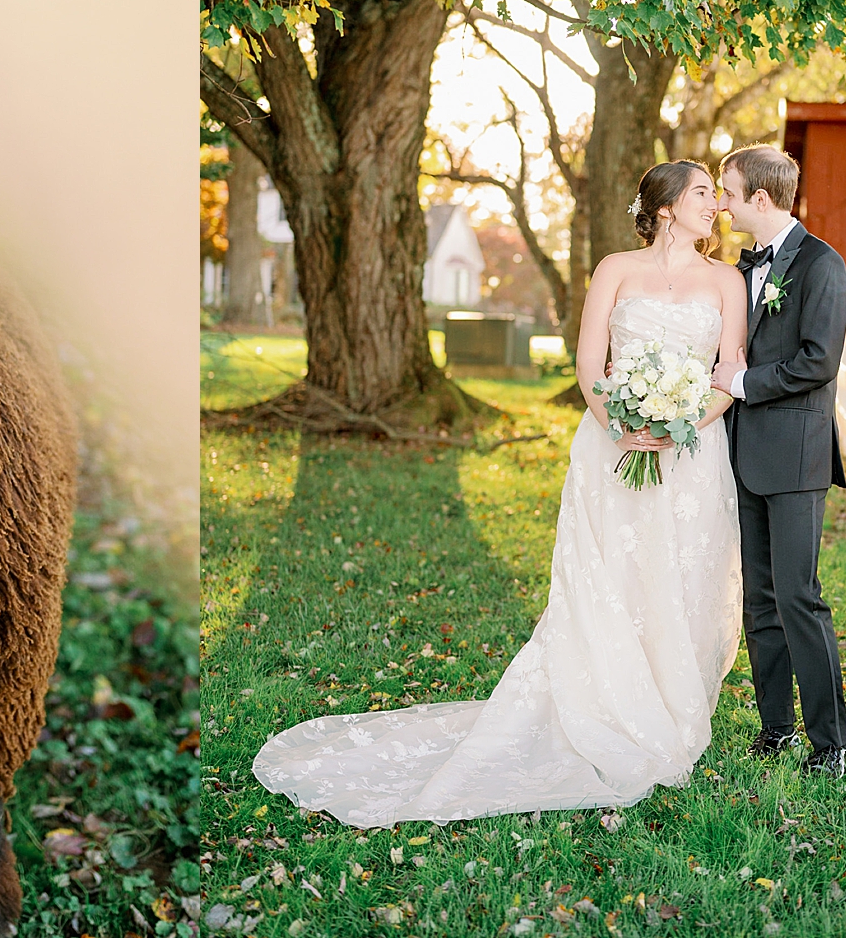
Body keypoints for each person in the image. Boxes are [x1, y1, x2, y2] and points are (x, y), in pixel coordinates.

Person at [254, 162, 747, 827]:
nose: (714, 203)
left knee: (680, 573)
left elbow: (729, 372)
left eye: (714, 195)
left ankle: (669, 705)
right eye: (700, 193)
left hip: (691, 454)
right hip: (613, 448)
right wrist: (625, 428)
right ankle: (603, 699)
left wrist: (679, 426)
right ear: (664, 207)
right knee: (612, 576)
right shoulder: (614, 269)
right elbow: (588, 362)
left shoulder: (726, 280)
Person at [712, 145, 846, 777]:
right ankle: (776, 730)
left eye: (730, 193)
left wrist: (744, 385)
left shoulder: (823, 265)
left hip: (795, 456)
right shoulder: (740, 270)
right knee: (758, 599)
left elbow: (818, 362)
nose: (723, 203)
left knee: (799, 596)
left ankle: (831, 744)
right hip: (742, 453)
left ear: (760, 200)